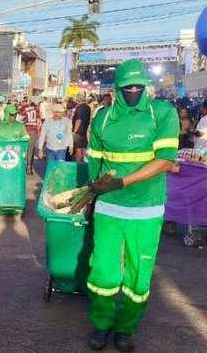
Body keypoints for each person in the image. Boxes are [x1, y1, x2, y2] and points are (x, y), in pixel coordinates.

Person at [84, 60, 178, 352]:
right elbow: (95, 163)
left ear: (146, 86)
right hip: (109, 209)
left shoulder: (162, 113)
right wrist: (90, 195)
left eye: (139, 86)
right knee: (103, 271)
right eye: (127, 87)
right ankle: (101, 324)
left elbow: (165, 161)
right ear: (116, 88)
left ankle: (126, 328)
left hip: (147, 209)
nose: (133, 91)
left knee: (139, 275)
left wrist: (122, 182)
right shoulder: (103, 119)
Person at [19, 100, 40, 175]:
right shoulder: (36, 109)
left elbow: (19, 120)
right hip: (33, 131)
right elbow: (38, 121)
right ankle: (29, 167)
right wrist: (38, 131)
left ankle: (23, 165)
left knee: (24, 149)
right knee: (31, 149)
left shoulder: (23, 109)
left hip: (25, 130)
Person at [72, 95, 92, 162]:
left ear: (77, 100)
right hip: (85, 130)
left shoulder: (79, 108)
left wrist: (74, 131)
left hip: (79, 131)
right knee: (84, 148)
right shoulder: (88, 107)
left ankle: (78, 163)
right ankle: (84, 162)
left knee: (78, 148)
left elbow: (78, 120)